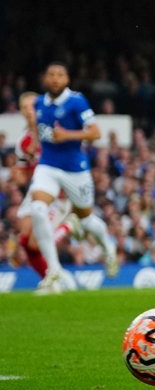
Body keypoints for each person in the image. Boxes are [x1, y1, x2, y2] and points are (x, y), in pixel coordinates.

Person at [24, 63, 118, 294]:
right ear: (45, 79)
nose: (55, 79)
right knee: (37, 209)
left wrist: (67, 135)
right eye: (51, 75)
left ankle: (108, 248)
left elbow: (95, 133)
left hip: (75, 169)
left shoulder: (77, 101)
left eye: (60, 75)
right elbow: (40, 130)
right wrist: (34, 143)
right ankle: (53, 270)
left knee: (86, 220)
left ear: (67, 79)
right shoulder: (39, 103)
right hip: (48, 166)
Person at [14, 90, 81, 281]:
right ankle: (49, 280)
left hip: (57, 194)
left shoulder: (55, 131)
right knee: (24, 241)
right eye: (25, 107)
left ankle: (68, 225)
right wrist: (18, 175)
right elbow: (24, 176)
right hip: (36, 191)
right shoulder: (23, 142)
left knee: (35, 244)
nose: (29, 111)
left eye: (33, 106)